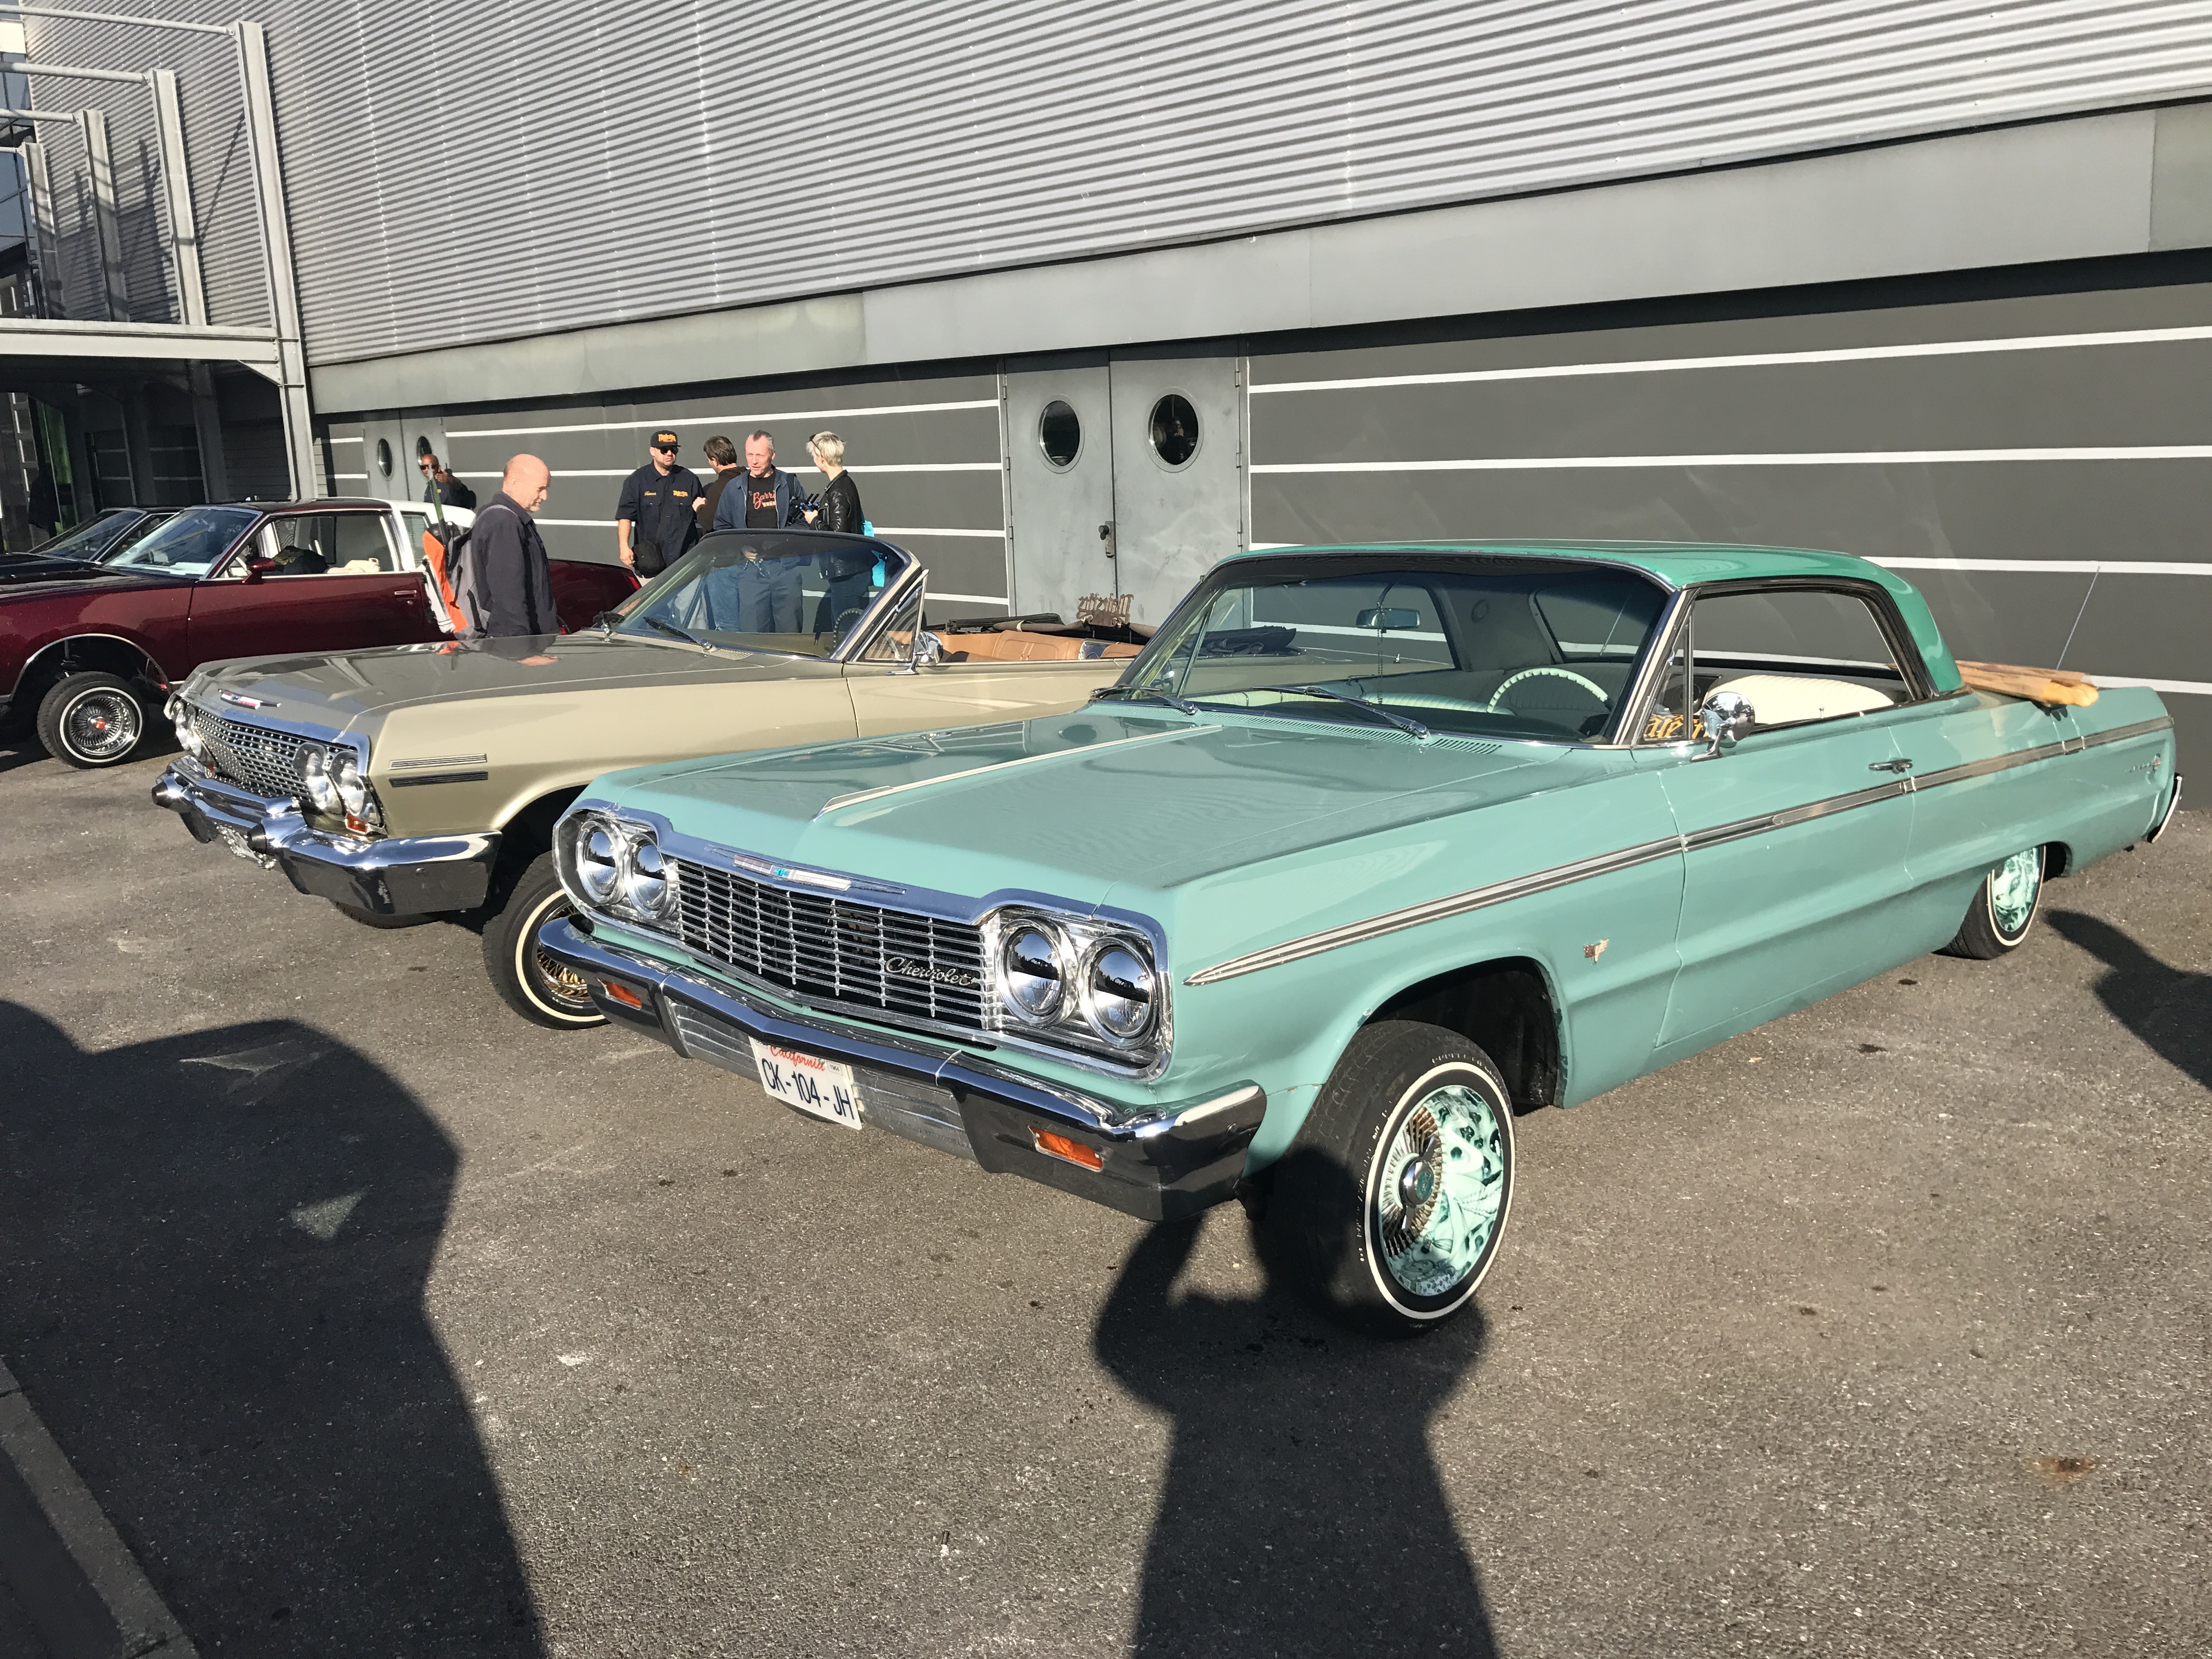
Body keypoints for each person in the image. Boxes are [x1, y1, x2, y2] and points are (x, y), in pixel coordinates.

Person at [712, 430, 808, 631]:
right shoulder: (734, 488)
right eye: (750, 455)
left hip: (785, 568)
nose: (754, 461)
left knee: (790, 634)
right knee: (753, 634)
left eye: (760, 455)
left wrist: (782, 544)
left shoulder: (789, 484)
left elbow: (804, 523)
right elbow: (721, 527)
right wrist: (742, 548)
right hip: (751, 572)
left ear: (773, 455)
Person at [473, 454, 557, 639]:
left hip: (520, 641)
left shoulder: (499, 516)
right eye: (540, 489)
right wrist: (521, 647)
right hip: (517, 643)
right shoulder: (504, 522)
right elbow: (508, 593)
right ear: (515, 483)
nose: (545, 496)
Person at [806, 431, 872, 639]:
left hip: (846, 573)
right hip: (854, 569)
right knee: (852, 627)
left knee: (846, 631)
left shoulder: (837, 490)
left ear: (821, 459)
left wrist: (814, 521)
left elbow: (838, 535)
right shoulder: (845, 484)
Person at [614, 430, 702, 577]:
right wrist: (624, 547)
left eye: (673, 450)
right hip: (651, 562)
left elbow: (701, 516)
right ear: (652, 451)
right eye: (664, 450)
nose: (669, 453)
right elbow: (625, 516)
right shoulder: (637, 481)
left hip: (684, 562)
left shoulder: (690, 480)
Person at [693, 435, 741, 532]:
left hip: (730, 538)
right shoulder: (748, 477)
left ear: (715, 461)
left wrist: (700, 507)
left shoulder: (718, 488)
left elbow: (708, 523)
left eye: (709, 460)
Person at [417, 445, 477, 514]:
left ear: (439, 468)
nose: (427, 470)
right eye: (423, 467)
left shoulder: (446, 481)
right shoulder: (432, 483)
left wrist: (450, 480)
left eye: (431, 467)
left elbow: (458, 486)